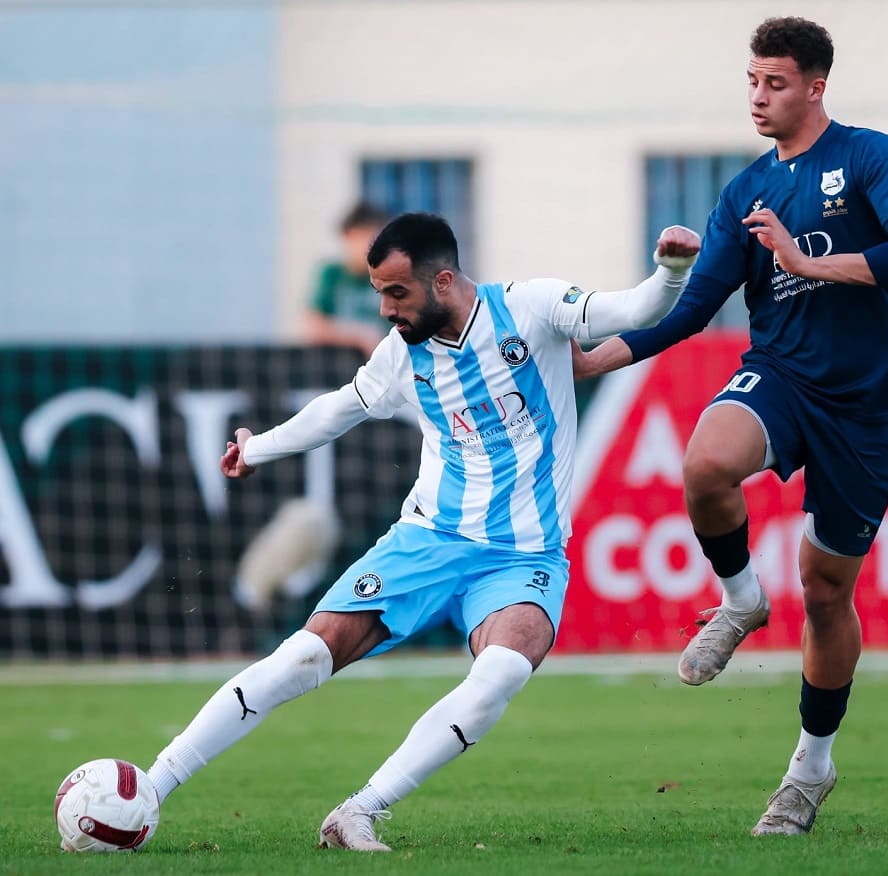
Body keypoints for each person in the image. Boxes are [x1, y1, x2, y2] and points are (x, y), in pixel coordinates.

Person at [146, 212, 701, 851]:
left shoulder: (532, 308)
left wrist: (672, 269)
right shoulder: (399, 354)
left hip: (525, 556)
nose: (385, 309)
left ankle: (359, 811)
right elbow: (338, 409)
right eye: (378, 293)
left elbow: (636, 308)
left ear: (442, 281)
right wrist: (256, 449)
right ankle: (149, 789)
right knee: (303, 656)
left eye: (396, 292)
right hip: (428, 540)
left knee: (502, 673)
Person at [574, 17, 888, 836]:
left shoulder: (869, 155)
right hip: (782, 376)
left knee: (825, 592)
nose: (758, 97)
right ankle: (739, 601)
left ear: (815, 86)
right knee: (705, 465)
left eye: (775, 83)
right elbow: (695, 308)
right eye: (752, 81)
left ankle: (810, 768)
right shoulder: (745, 192)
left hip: (870, 405)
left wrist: (806, 263)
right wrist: (601, 359)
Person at [305, 201, 390, 356]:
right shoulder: (333, 274)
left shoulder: (391, 278)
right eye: (362, 237)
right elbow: (314, 326)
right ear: (347, 237)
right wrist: (357, 336)